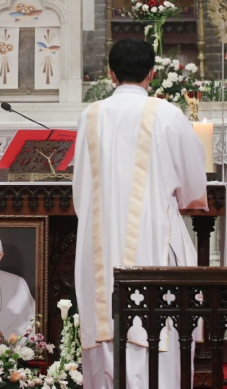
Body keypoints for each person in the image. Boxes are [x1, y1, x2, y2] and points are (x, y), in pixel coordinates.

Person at [73, 38, 208, 389]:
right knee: (158, 332)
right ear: (152, 73)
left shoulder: (90, 115)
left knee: (107, 327)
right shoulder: (166, 113)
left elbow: (80, 189)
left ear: (110, 73)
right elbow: (193, 186)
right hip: (155, 239)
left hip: (99, 245)